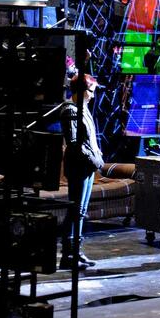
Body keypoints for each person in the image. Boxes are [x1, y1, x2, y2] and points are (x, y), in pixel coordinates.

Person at [60, 73, 103, 269]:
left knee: (81, 211)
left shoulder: (82, 109)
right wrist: (95, 160)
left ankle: (76, 251)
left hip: (86, 166)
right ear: (82, 91)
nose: (93, 96)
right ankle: (68, 254)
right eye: (91, 92)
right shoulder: (70, 110)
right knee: (75, 210)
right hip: (79, 166)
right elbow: (75, 142)